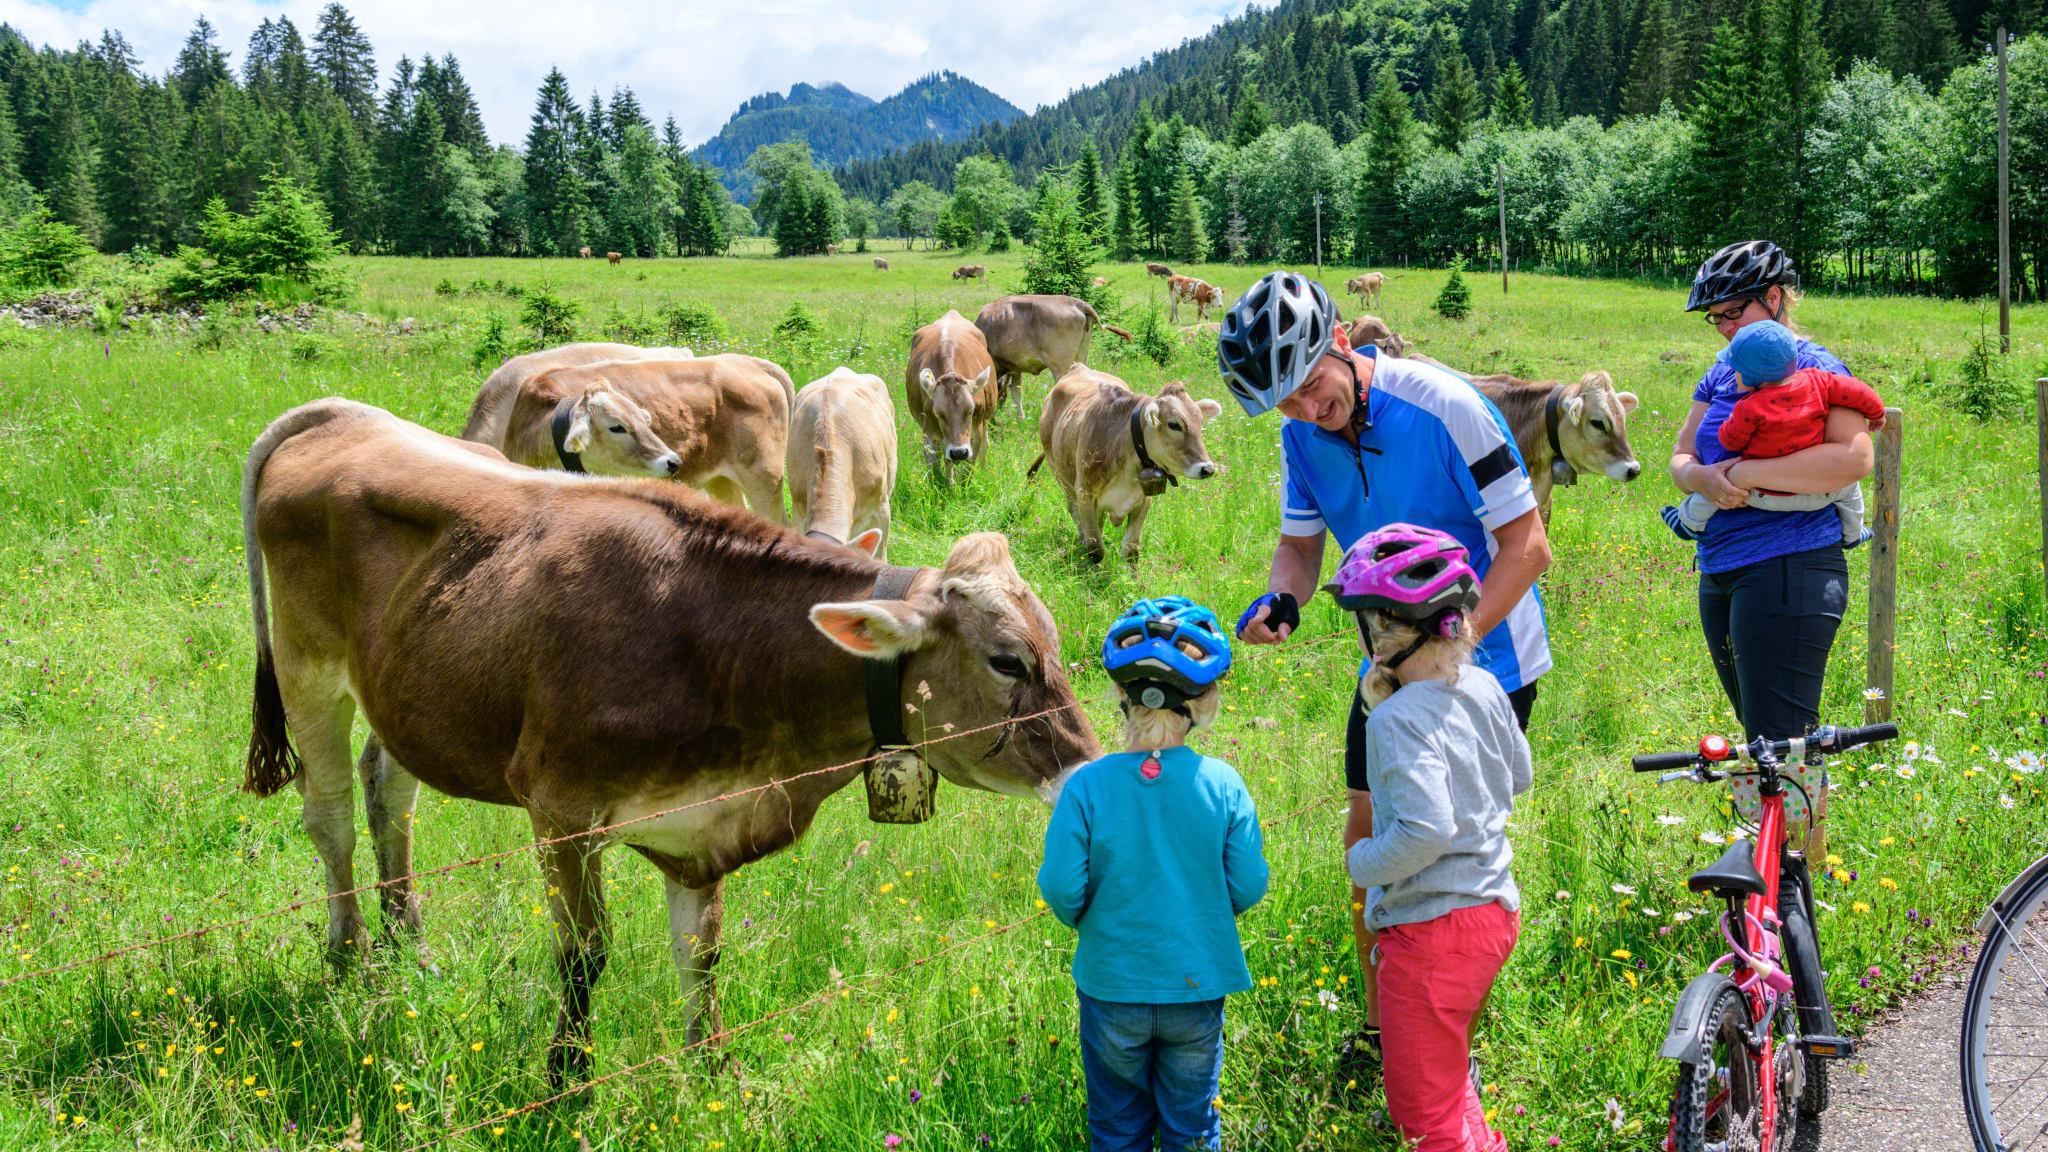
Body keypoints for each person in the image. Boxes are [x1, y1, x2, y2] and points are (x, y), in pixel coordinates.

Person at [1216, 270, 1550, 1088]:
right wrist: (1281, 600)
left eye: (1308, 389)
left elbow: (1526, 546)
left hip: (1487, 658)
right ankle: (1381, 1026)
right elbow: (1300, 549)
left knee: (1448, 860)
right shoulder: (1301, 435)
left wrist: (1448, 647)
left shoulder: (1446, 405)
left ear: (1339, 342)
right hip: (1387, 668)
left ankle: (1452, 1030)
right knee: (1367, 841)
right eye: (1283, 406)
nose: (1303, 411)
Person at [1667, 240, 1877, 866]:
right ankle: (1773, 877)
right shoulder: (1723, 371)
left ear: (1776, 298)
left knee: (1782, 742)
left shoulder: (1814, 366)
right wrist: (1703, 480)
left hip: (1791, 566)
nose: (1725, 328)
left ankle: (1795, 892)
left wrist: (1747, 472)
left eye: (1734, 312)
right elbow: (1681, 458)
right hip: (1723, 568)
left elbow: (1853, 459)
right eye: (1717, 319)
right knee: (1763, 740)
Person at [1037, 596, 1269, 1152]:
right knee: (1193, 1127)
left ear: (1119, 695)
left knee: (1117, 1127)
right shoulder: (1224, 784)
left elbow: (1062, 886)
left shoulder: (1087, 787)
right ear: (1206, 700)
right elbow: (1249, 883)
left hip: (1112, 983)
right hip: (1197, 983)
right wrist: (1207, 908)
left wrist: (1095, 925)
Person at [1327, 524, 1529, 1152]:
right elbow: (1519, 774)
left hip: (1432, 931)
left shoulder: (1391, 717)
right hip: (1493, 912)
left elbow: (1427, 827)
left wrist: (1362, 861)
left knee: (1423, 1110)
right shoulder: (1486, 686)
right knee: (1449, 1076)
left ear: (1381, 628)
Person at [1663, 318, 1885, 546]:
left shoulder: (1750, 407)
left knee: (1719, 487)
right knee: (1850, 491)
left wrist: (1730, 425)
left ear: (1748, 378)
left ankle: (1688, 522)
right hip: (1819, 492)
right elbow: (1858, 392)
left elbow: (1730, 441)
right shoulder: (1819, 380)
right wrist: (1877, 413)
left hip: (1761, 495)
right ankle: (1853, 533)